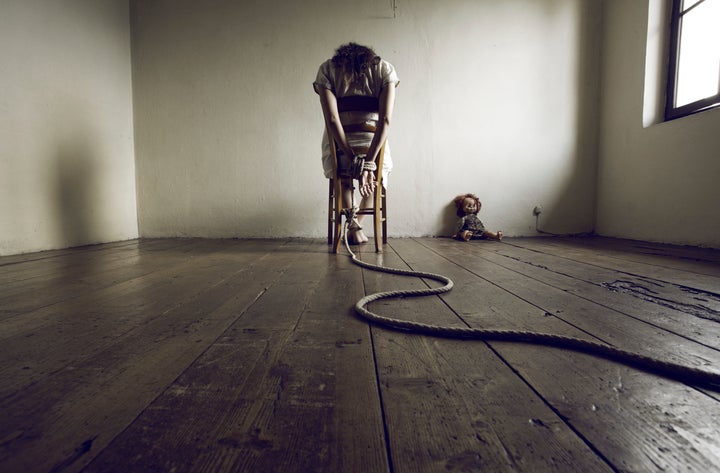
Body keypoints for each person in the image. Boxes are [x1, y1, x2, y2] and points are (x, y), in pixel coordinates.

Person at [313, 42, 399, 244]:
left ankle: (353, 226)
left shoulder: (327, 69)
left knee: (343, 179)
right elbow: (385, 120)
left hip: (339, 145)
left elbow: (333, 120)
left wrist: (352, 158)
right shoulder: (385, 69)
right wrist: (368, 163)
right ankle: (356, 226)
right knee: (374, 183)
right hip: (374, 144)